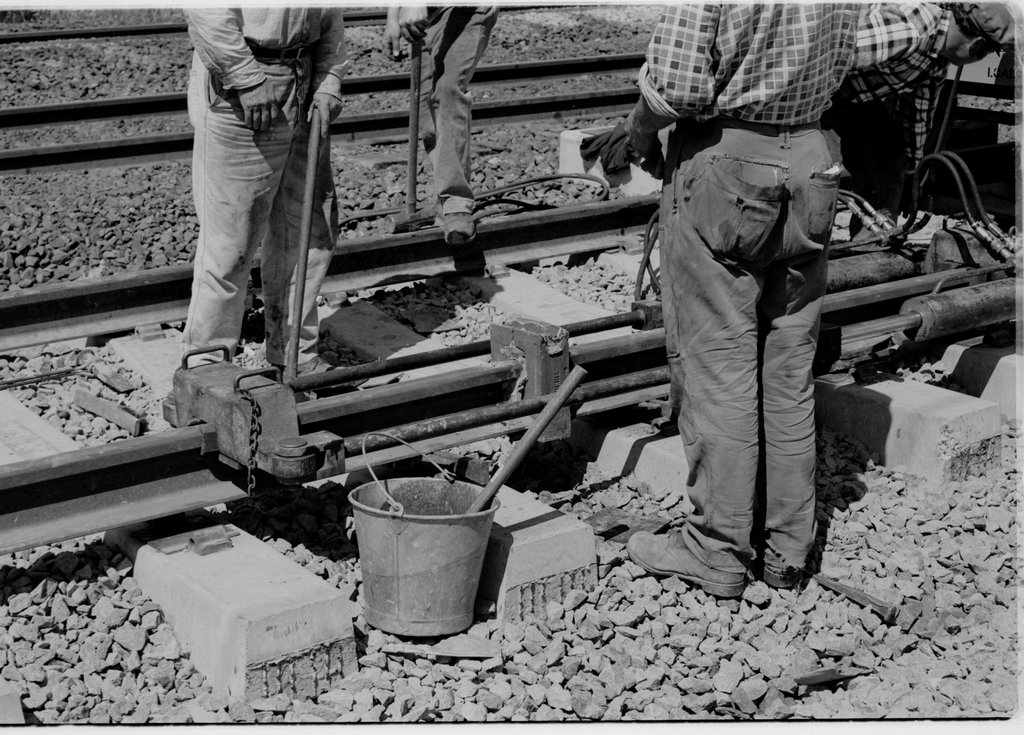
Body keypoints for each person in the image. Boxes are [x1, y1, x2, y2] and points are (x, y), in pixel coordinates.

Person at [608, 3, 908, 600]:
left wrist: (639, 131)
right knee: (789, 370)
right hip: (812, 160)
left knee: (720, 366)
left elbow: (678, 87)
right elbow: (878, 39)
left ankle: (717, 549)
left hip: (728, 162)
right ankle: (787, 550)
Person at [181, 8, 348, 374]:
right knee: (231, 242)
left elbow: (331, 14)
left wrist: (329, 76)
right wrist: (246, 79)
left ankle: (295, 353)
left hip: (304, 76)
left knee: (306, 230)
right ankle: (206, 367)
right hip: (243, 82)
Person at [827, 2, 1016, 225]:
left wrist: (911, 174)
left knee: (890, 154)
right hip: (815, 93)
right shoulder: (910, 29)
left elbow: (916, 117)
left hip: (853, 98)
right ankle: (809, 237)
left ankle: (876, 233)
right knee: (821, 170)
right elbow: (831, 57)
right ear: (978, 45)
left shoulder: (936, 63)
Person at [384, 5, 498, 245]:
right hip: (430, 18)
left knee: (447, 91)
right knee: (428, 116)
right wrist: (392, 17)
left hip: (465, 11)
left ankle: (456, 203)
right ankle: (443, 202)